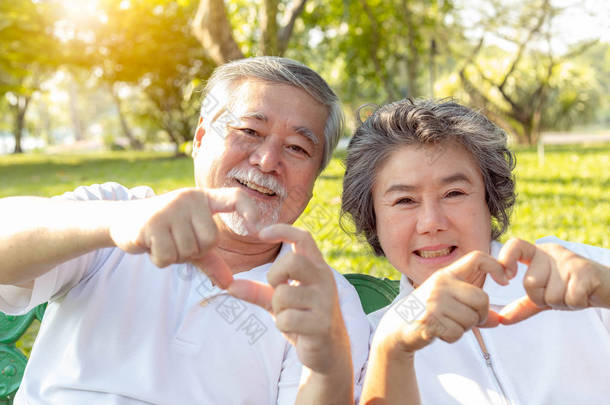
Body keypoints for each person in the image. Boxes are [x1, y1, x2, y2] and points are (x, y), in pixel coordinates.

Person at [0, 57, 370, 404]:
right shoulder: (114, 211)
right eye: (249, 131)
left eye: (296, 148)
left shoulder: (324, 298)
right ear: (199, 139)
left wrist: (328, 362)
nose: (268, 160)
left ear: (315, 177)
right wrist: (113, 224)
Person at [340, 98, 610, 404]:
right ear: (372, 216)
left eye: (454, 193)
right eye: (404, 200)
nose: (431, 222)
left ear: (489, 199)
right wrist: (392, 349)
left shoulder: (581, 271)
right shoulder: (367, 344)